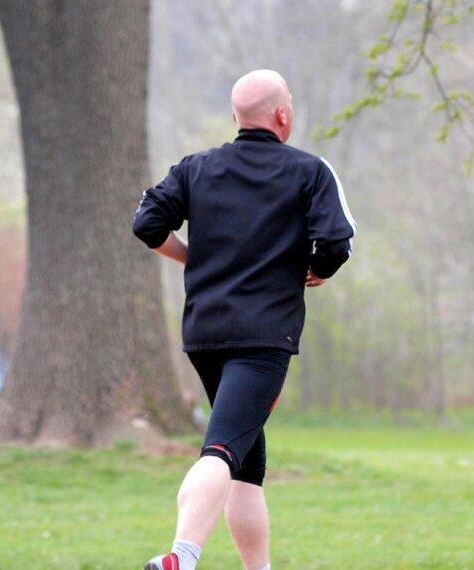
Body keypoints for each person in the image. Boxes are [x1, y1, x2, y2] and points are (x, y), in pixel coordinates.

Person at [133, 69, 356, 570]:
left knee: (245, 467)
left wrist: (193, 257)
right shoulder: (310, 171)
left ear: (237, 117)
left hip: (204, 334)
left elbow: (146, 223)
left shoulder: (195, 168)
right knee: (221, 450)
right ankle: (180, 557)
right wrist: (313, 273)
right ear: (283, 114)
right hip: (262, 339)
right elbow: (337, 245)